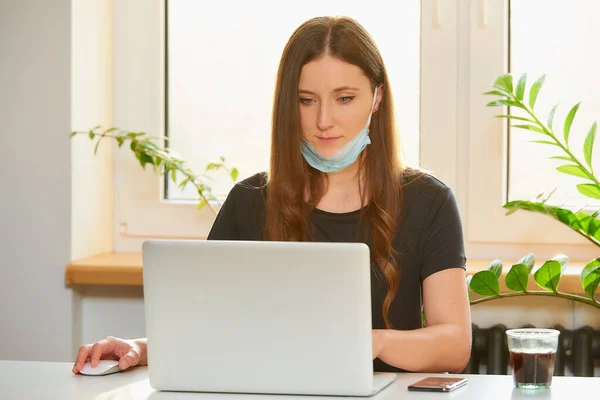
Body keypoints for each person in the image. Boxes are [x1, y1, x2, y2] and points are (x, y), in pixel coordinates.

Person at [73, 15, 472, 375]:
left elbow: (454, 346)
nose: (323, 121)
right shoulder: (249, 201)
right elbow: (206, 329)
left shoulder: (428, 201)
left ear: (377, 97)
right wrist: (139, 349)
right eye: (306, 100)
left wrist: (373, 342)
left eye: (345, 98)